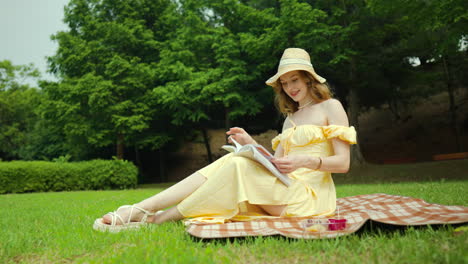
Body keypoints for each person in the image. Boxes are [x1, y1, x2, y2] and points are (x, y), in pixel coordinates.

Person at [93, 48, 357, 232]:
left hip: (311, 199)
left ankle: (147, 214)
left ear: (309, 79)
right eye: (285, 83)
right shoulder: (291, 119)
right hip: (283, 191)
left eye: (294, 79)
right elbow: (278, 166)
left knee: (236, 165)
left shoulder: (330, 107)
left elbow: (343, 163)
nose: (290, 87)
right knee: (236, 158)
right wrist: (250, 143)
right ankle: (147, 214)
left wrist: (307, 160)